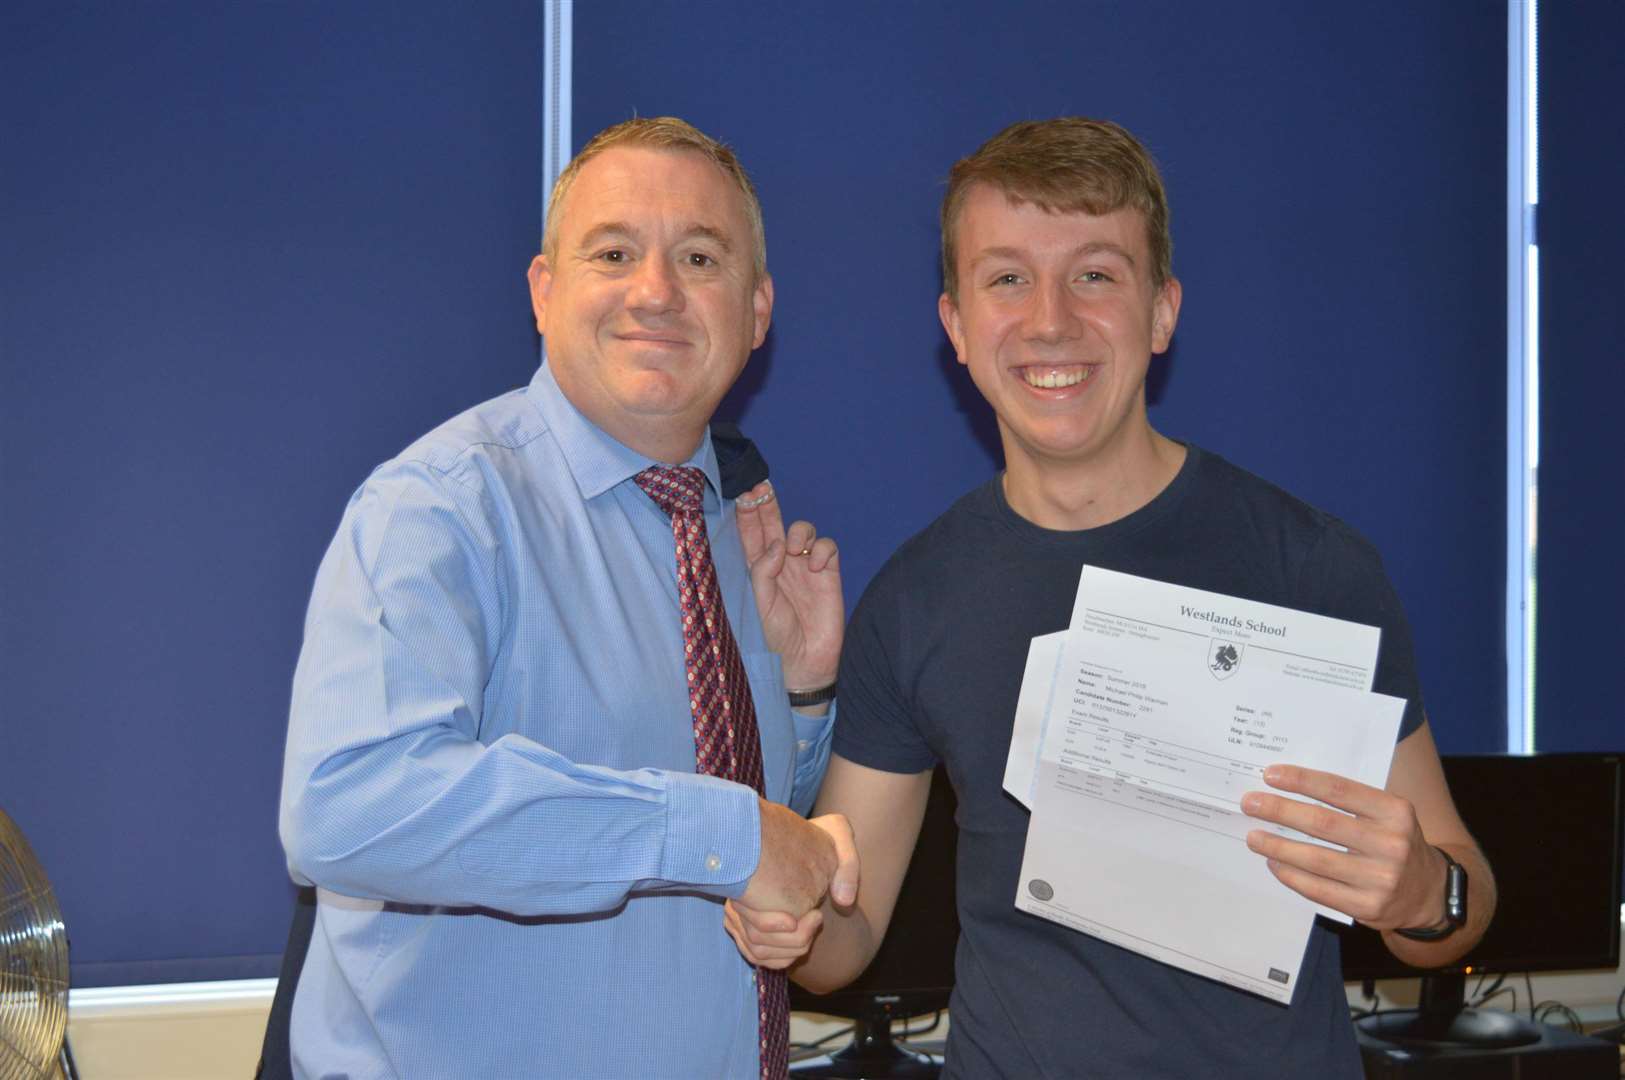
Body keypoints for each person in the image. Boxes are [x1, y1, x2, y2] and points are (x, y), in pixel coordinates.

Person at [724, 118, 1496, 1078]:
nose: (1049, 321)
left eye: (1094, 273)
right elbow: (846, 943)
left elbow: (1456, 905)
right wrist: (787, 909)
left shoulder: (1312, 566)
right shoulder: (912, 600)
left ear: (1161, 312)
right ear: (957, 327)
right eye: (1006, 278)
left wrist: (1424, 893)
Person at [280, 116, 856, 1080]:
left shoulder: (738, 532)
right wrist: (719, 827)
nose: (657, 291)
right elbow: (347, 807)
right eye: (614, 251)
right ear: (545, 292)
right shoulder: (444, 507)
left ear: (756, 313)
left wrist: (799, 703)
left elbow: (746, 867)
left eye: (700, 256)